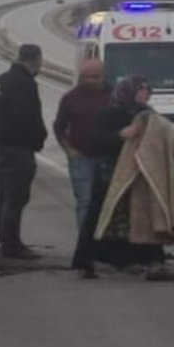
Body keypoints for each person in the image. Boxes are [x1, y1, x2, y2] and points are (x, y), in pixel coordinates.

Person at [71, 76, 174, 280]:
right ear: (129, 91)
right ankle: (86, 260)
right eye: (142, 89)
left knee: (143, 216)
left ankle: (148, 260)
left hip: (138, 176)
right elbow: (95, 142)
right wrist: (120, 134)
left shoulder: (148, 115)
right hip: (110, 174)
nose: (146, 93)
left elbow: (166, 133)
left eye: (148, 89)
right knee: (99, 216)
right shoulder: (108, 114)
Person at [0, 44, 47, 260]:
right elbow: (30, 116)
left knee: (4, 195)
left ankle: (7, 240)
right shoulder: (25, 83)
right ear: (34, 60)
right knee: (16, 197)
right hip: (18, 147)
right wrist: (39, 138)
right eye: (39, 61)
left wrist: (4, 125)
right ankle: (12, 245)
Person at [53, 59, 110, 232]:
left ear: (103, 76)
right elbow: (59, 126)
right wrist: (69, 150)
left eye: (95, 77)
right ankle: (85, 245)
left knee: (108, 202)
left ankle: (107, 244)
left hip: (108, 158)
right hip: (81, 158)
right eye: (87, 77)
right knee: (85, 201)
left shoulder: (113, 96)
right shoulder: (71, 98)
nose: (91, 81)